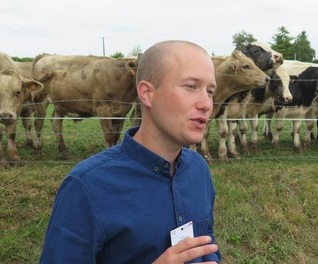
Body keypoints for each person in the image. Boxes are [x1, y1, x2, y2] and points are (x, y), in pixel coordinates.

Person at [40, 40, 221, 263]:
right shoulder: (87, 187)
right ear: (147, 93)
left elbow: (206, 240)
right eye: (191, 86)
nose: (206, 103)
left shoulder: (198, 169)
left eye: (210, 91)